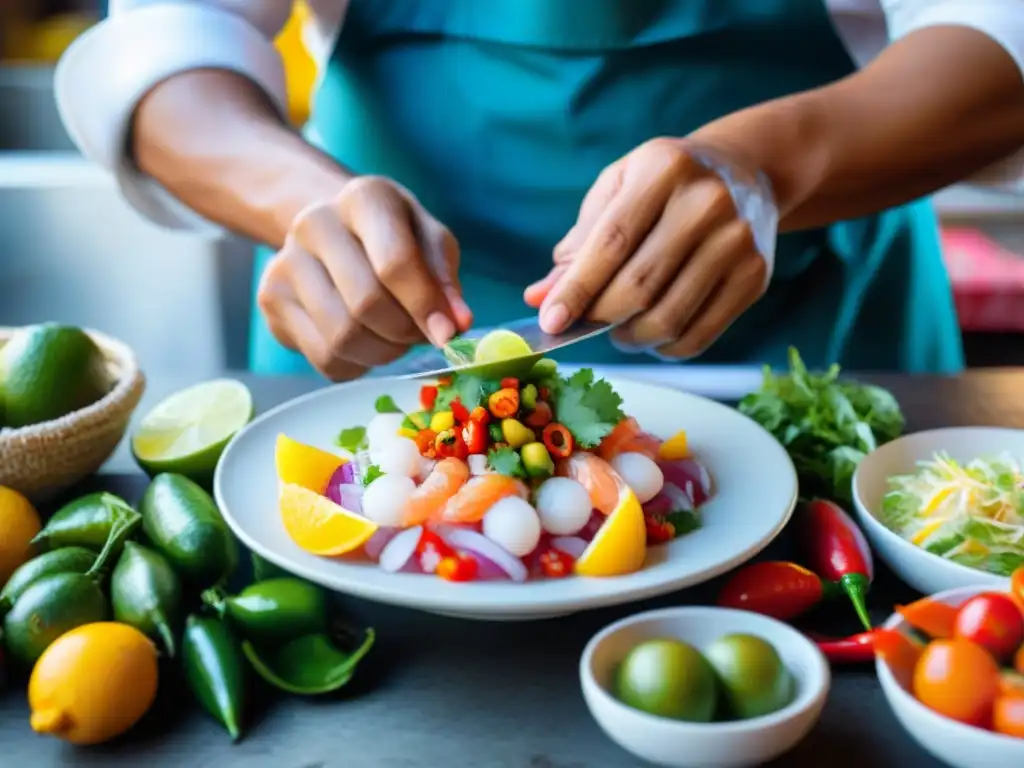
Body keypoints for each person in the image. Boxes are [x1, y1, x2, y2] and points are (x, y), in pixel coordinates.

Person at [56, 0, 1024, 379]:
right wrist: (295, 201)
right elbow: (169, 40)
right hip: (380, 369)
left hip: (817, 350)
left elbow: (997, 36)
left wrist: (765, 172)